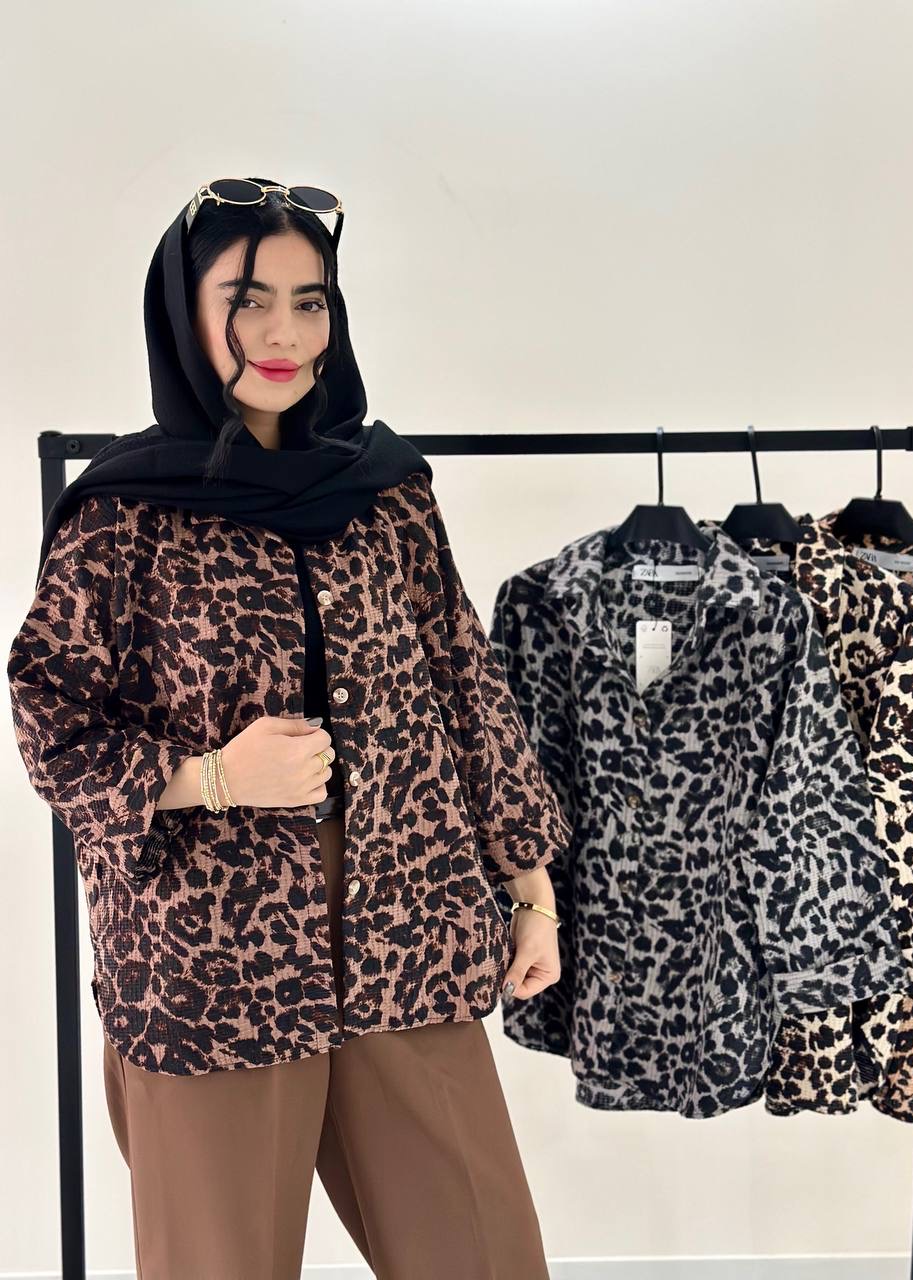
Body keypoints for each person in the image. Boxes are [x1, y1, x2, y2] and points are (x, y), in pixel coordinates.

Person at [8, 177, 573, 1279]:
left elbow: (467, 682)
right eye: (249, 299)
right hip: (211, 955)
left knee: (485, 1255)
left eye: (310, 302)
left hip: (408, 923)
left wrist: (531, 885)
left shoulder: (386, 489)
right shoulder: (123, 513)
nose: (284, 334)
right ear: (186, 311)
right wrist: (212, 776)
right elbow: (51, 717)